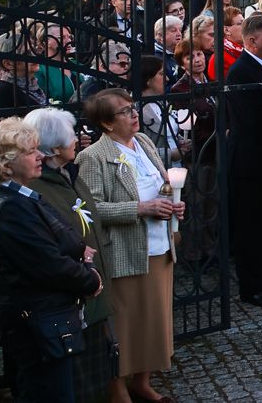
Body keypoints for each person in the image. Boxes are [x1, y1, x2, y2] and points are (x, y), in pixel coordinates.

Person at [0, 118, 102, 403]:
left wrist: (79, 250)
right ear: (7, 164)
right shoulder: (9, 206)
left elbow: (60, 233)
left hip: (44, 317)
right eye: (31, 151)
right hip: (37, 322)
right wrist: (90, 279)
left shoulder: (21, 195)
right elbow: (47, 263)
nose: (41, 156)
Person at [75, 89, 181, 400]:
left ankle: (142, 382)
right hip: (125, 250)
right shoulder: (92, 157)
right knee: (125, 324)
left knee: (153, 319)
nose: (134, 114)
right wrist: (140, 209)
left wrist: (172, 202)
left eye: (133, 108)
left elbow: (161, 182)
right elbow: (90, 209)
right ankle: (117, 387)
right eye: (124, 111)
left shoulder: (144, 142)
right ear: (107, 124)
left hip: (160, 245)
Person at [22, 108, 124, 403]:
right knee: (76, 386)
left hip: (91, 297)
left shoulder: (68, 175)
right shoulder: (37, 189)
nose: (78, 141)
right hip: (71, 302)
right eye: (71, 137)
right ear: (53, 148)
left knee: (94, 378)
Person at [222, 14, 262, 307]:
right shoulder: (240, 73)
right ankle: (251, 285)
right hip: (252, 161)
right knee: (251, 225)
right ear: (252, 41)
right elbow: (254, 121)